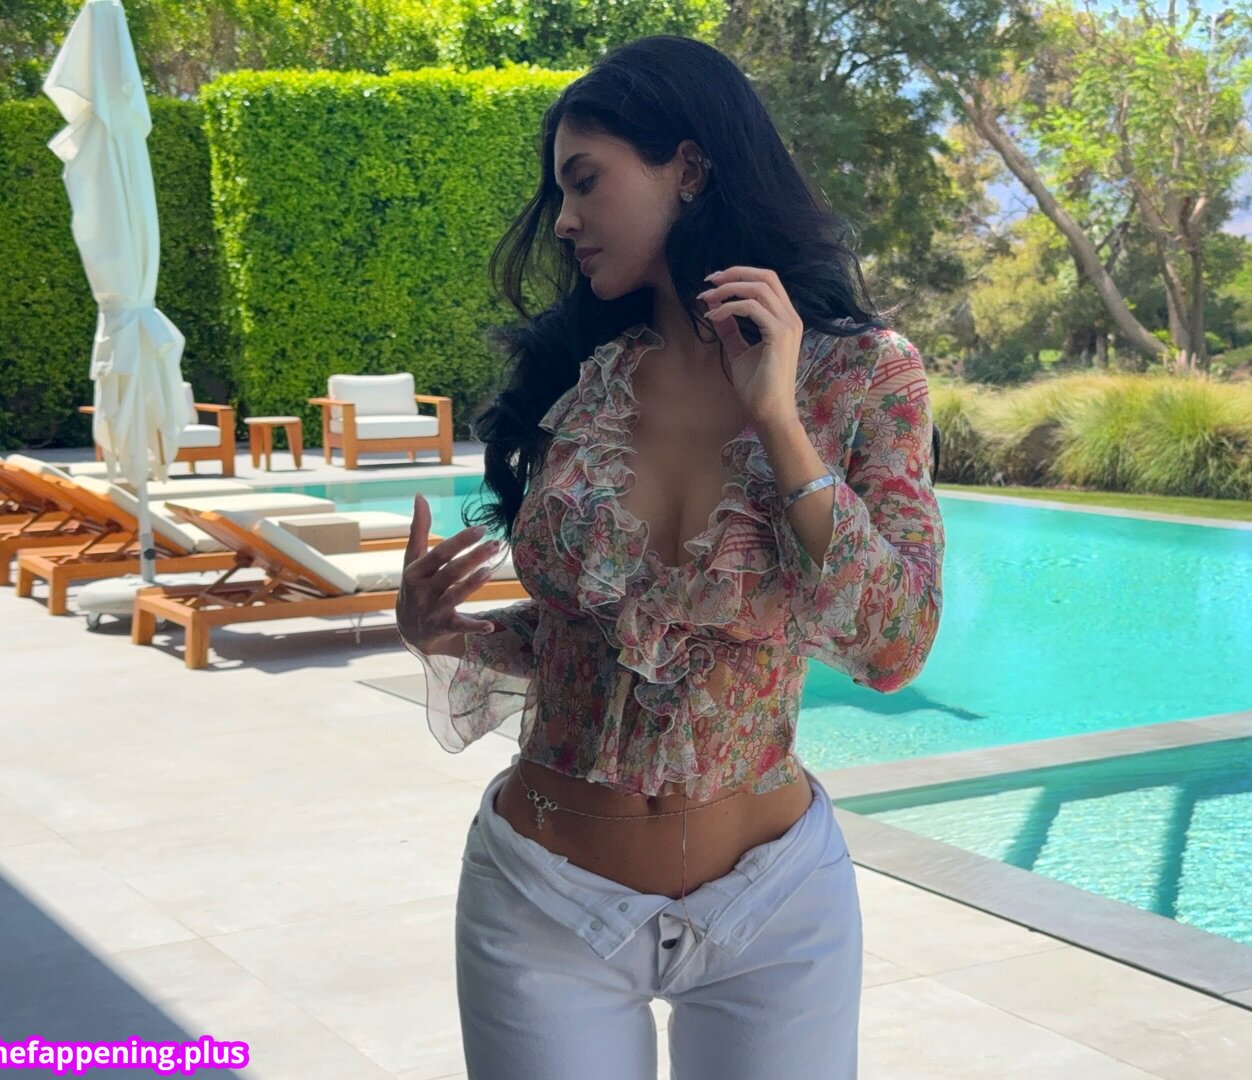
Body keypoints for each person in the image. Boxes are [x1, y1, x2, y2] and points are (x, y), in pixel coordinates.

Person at [395, 34, 946, 1080]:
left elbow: (894, 646)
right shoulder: (580, 374)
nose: (563, 219)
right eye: (560, 192)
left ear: (687, 168)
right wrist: (449, 632)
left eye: (585, 181)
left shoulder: (866, 378)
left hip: (775, 909)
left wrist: (778, 421)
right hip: (544, 899)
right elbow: (595, 634)